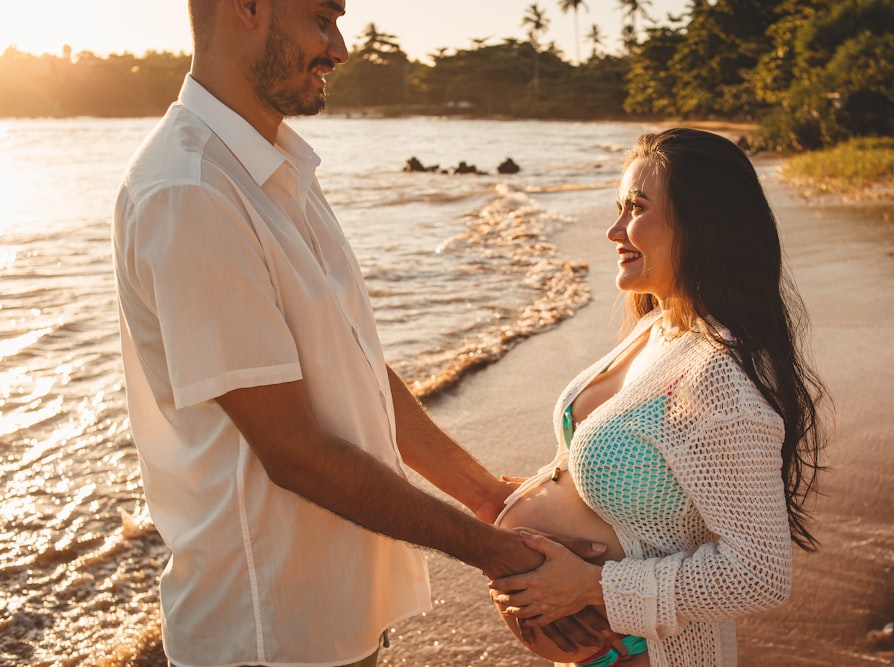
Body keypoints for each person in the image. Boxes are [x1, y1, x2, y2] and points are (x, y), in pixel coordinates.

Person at [112, 1, 605, 665]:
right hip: (267, 635)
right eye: (322, 18)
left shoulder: (274, 167)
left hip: (331, 619)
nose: (339, 49)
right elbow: (294, 451)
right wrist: (501, 555)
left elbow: (356, 367)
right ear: (247, 9)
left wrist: (489, 498)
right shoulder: (192, 189)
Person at [490, 128, 827, 667]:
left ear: (704, 224)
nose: (614, 230)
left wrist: (593, 588)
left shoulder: (720, 376)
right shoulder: (662, 326)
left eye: (636, 208)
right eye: (618, 208)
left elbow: (761, 575)